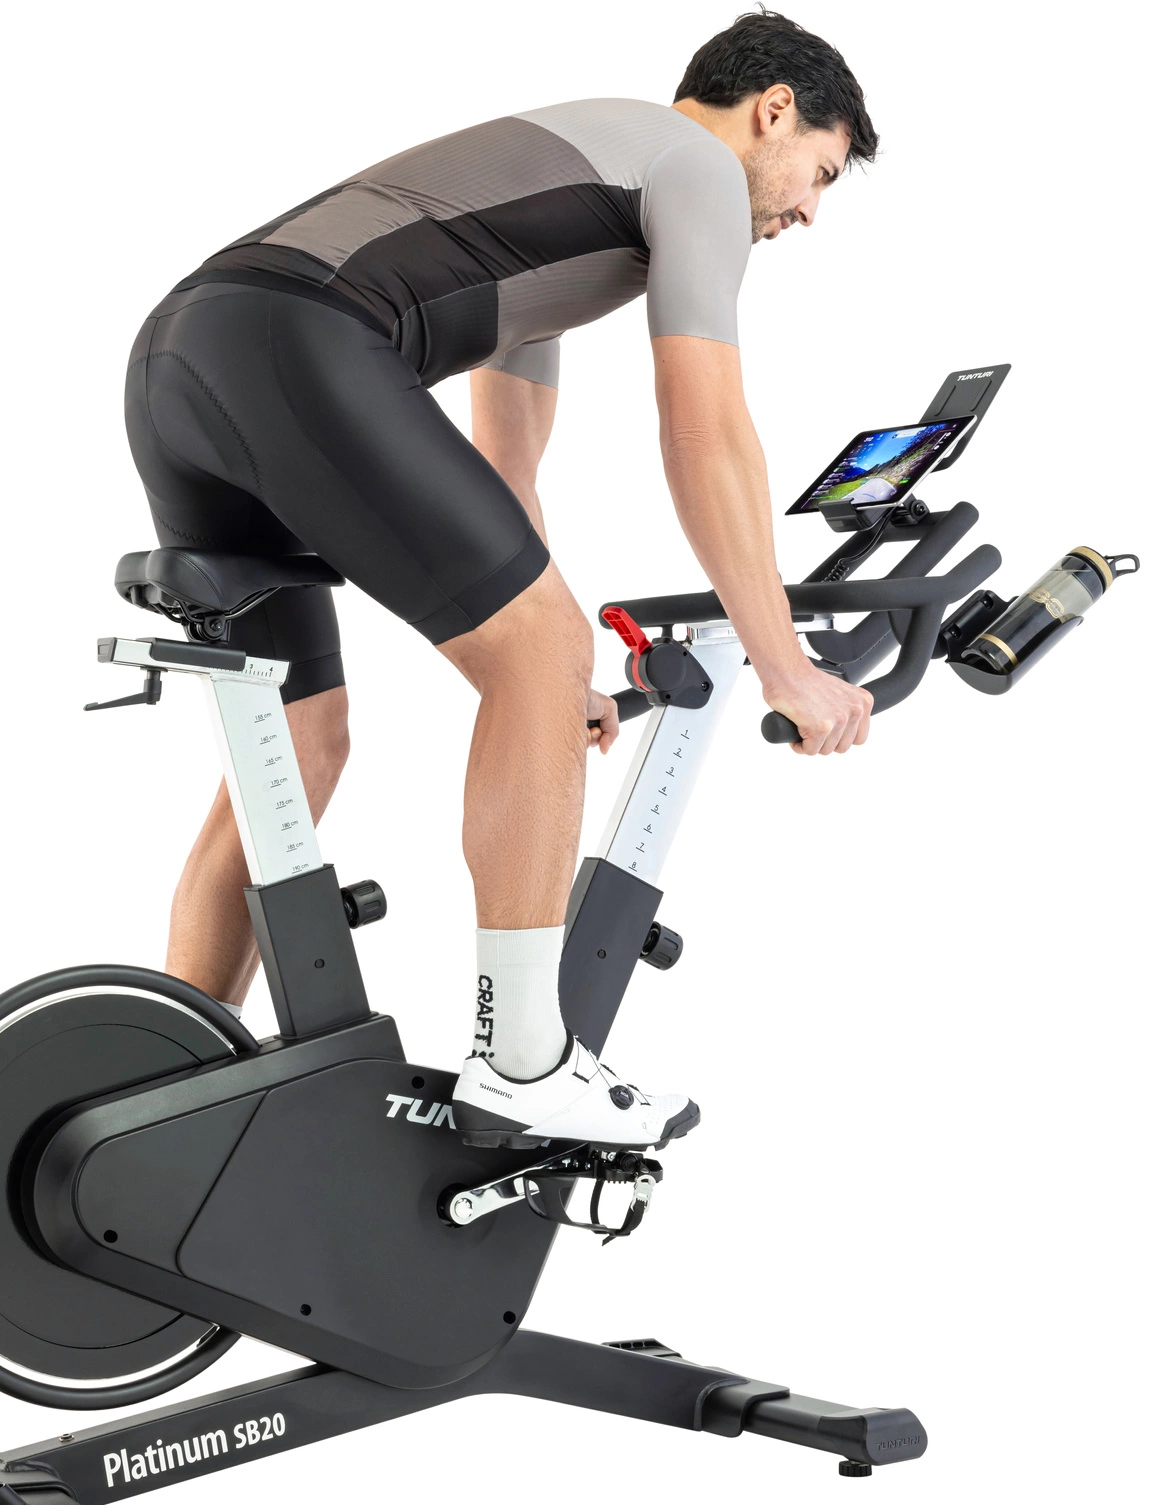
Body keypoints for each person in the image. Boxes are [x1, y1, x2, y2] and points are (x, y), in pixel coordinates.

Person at [124, 8, 878, 1150]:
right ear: (773, 111)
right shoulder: (693, 168)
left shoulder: (573, 188)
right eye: (819, 172)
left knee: (305, 741)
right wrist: (785, 667)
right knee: (538, 647)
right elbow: (706, 430)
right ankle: (523, 1061)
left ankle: (157, 1098)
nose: (808, 211)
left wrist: (551, 680)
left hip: (184, 354)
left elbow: (505, 466)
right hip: (294, 339)